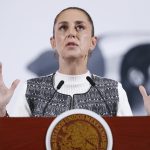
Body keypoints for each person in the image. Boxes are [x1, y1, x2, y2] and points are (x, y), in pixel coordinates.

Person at [0, 7, 150, 117]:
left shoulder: (114, 91)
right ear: (53, 42)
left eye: (80, 27)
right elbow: (15, 141)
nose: (71, 33)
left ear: (93, 42)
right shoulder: (31, 91)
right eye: (63, 28)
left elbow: (130, 141)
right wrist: (1, 112)